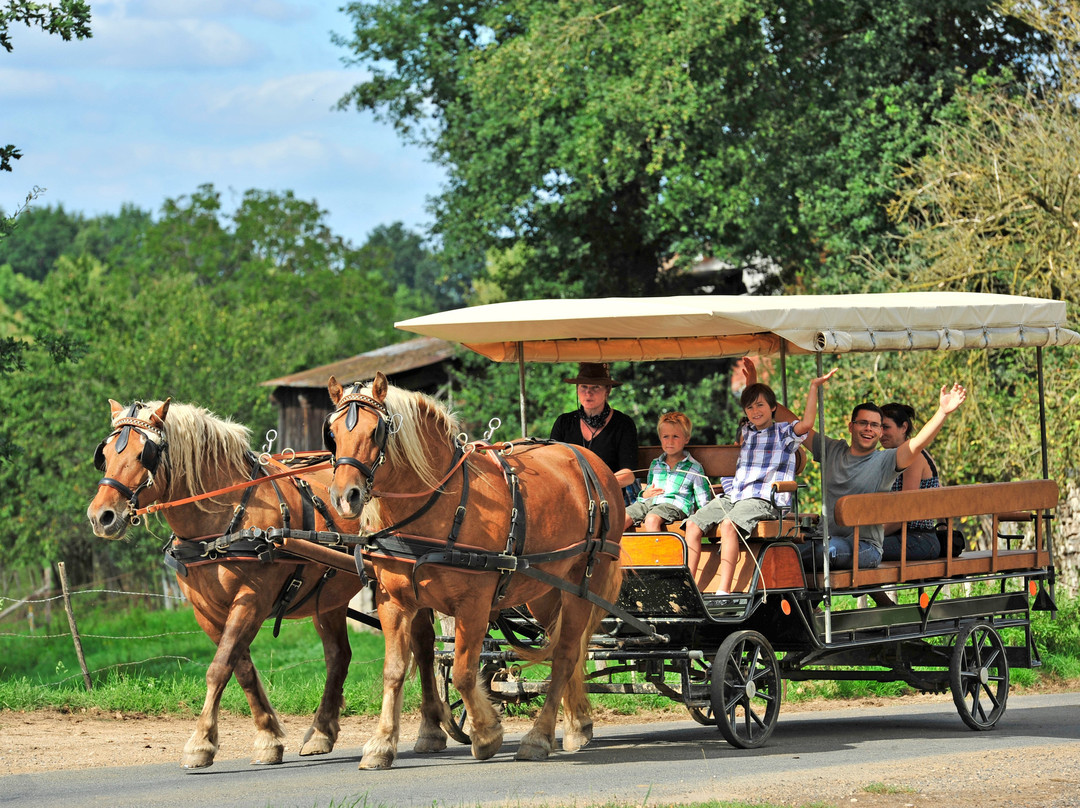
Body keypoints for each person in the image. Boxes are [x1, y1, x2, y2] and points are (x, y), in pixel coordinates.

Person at [769, 374, 968, 572]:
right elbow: (793, 422)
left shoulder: (885, 461)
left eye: (875, 425)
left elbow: (917, 444)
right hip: (824, 539)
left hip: (864, 547)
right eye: (863, 423)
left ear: (880, 432)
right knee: (782, 549)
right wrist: (759, 395)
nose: (868, 429)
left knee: (825, 550)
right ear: (851, 426)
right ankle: (790, 602)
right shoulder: (831, 450)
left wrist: (942, 412)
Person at [682, 359, 835, 592]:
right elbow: (751, 400)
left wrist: (813, 387)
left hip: (764, 499)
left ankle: (724, 590)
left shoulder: (783, 433)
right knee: (693, 524)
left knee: (729, 525)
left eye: (761, 406)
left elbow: (807, 423)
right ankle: (689, 586)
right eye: (750, 408)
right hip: (736, 497)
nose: (755, 411)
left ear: (773, 407)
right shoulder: (746, 430)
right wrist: (751, 379)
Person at [549, 363, 639, 501]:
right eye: (583, 386)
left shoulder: (623, 423)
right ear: (577, 390)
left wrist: (594, 486)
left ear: (607, 390)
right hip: (570, 497)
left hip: (609, 498)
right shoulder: (564, 422)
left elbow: (629, 474)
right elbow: (553, 465)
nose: (588, 392)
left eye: (595, 387)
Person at [624, 412, 712, 532]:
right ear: (660, 438)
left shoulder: (694, 468)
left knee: (651, 520)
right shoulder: (656, 464)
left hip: (674, 505)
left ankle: (656, 551)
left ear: (686, 438)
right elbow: (649, 489)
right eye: (665, 436)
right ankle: (622, 550)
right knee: (621, 518)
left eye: (675, 436)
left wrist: (705, 520)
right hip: (650, 503)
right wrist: (645, 494)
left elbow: (703, 501)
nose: (670, 441)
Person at [879, 402, 943, 561]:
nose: (881, 433)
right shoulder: (893, 456)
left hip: (919, 539)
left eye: (886, 427)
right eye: (878, 427)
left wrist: (874, 535)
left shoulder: (913, 456)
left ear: (904, 427)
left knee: (860, 550)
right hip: (906, 538)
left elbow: (906, 511)